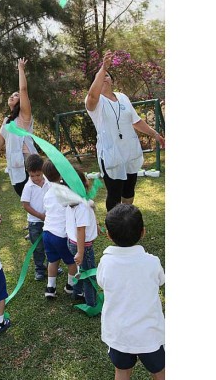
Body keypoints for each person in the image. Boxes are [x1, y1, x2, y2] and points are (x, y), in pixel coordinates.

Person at [85, 50, 165, 213]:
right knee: (114, 193)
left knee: (129, 190)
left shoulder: (122, 97)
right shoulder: (95, 103)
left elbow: (136, 121)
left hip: (129, 151)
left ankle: (126, 219)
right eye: (100, 77)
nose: (104, 78)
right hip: (111, 154)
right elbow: (92, 96)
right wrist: (103, 68)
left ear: (113, 80)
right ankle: (114, 224)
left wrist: (154, 134)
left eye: (107, 75)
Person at [96, 204, 165, 380]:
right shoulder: (152, 262)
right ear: (143, 232)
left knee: (122, 371)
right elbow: (161, 280)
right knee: (160, 371)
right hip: (149, 332)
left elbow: (101, 282)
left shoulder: (106, 262)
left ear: (109, 235)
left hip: (120, 334)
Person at [0, 58, 38, 197]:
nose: (12, 96)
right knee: (23, 196)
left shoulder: (25, 115)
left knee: (34, 198)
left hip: (29, 162)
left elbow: (23, 89)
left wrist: (21, 69)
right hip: (14, 164)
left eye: (16, 96)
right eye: (11, 95)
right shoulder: (7, 121)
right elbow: (0, 141)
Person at [41, 159, 78, 298]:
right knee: (72, 261)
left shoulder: (47, 193)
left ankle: (50, 288)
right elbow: (75, 204)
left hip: (47, 233)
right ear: (61, 174)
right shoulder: (64, 192)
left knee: (52, 260)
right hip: (60, 236)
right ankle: (70, 285)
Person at [63, 169, 99, 308]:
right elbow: (80, 229)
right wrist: (81, 252)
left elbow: (88, 207)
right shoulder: (82, 207)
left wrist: (96, 225)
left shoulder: (73, 202)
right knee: (89, 274)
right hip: (83, 246)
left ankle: (77, 292)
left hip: (71, 242)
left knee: (81, 270)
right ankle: (91, 303)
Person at [20, 154, 50, 281]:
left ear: (43, 171)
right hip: (35, 223)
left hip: (49, 221)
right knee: (38, 247)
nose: (35, 178)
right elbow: (25, 205)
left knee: (49, 244)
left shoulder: (49, 183)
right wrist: (40, 216)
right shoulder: (28, 187)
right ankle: (39, 269)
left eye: (38, 175)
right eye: (32, 176)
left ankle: (51, 266)